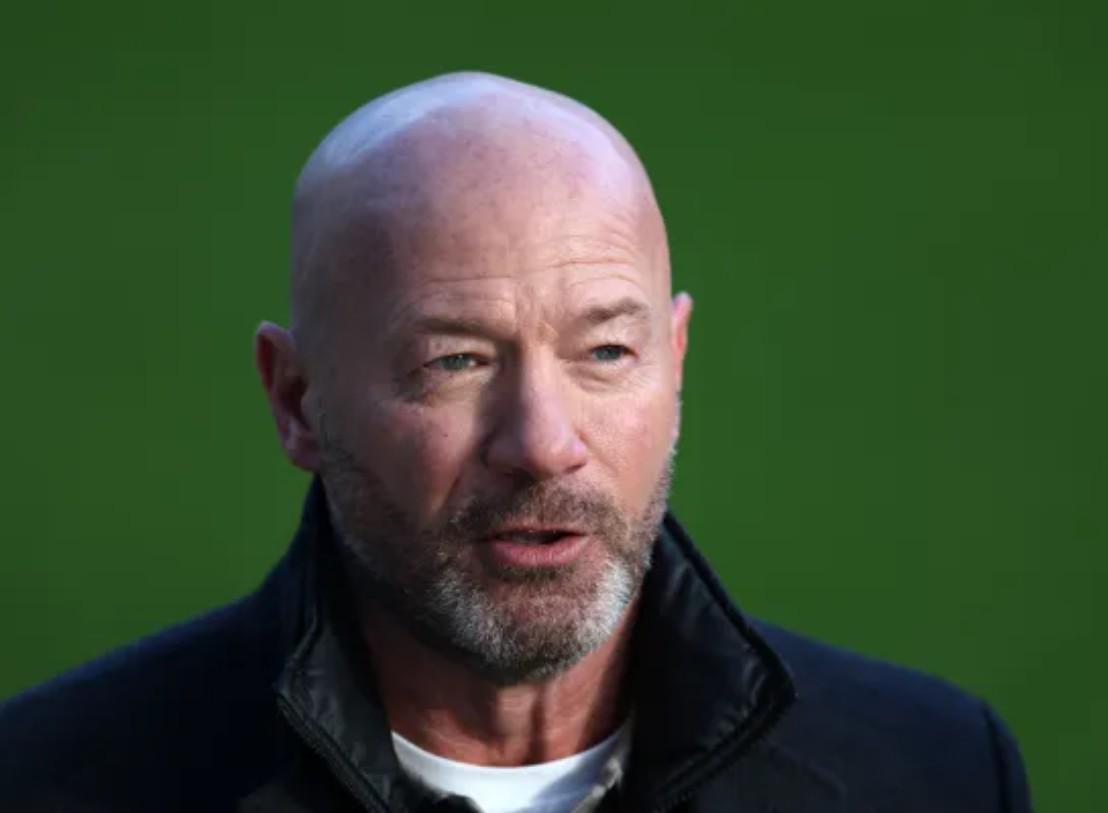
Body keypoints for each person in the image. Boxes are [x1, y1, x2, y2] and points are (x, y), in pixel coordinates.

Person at [0, 72, 1031, 812]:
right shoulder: (55, 780)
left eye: (605, 352)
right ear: (297, 401)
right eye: (454, 361)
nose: (542, 443)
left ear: (674, 363)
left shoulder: (931, 773)